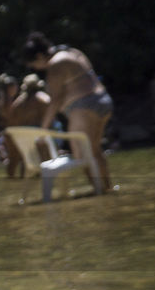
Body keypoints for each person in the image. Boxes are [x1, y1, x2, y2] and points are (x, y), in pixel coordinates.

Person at [26, 32, 113, 190]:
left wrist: (43, 129)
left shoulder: (55, 64)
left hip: (84, 107)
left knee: (83, 155)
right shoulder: (73, 52)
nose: (34, 68)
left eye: (33, 64)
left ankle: (98, 193)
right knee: (94, 150)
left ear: (39, 56)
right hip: (103, 101)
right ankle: (108, 189)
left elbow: (55, 100)